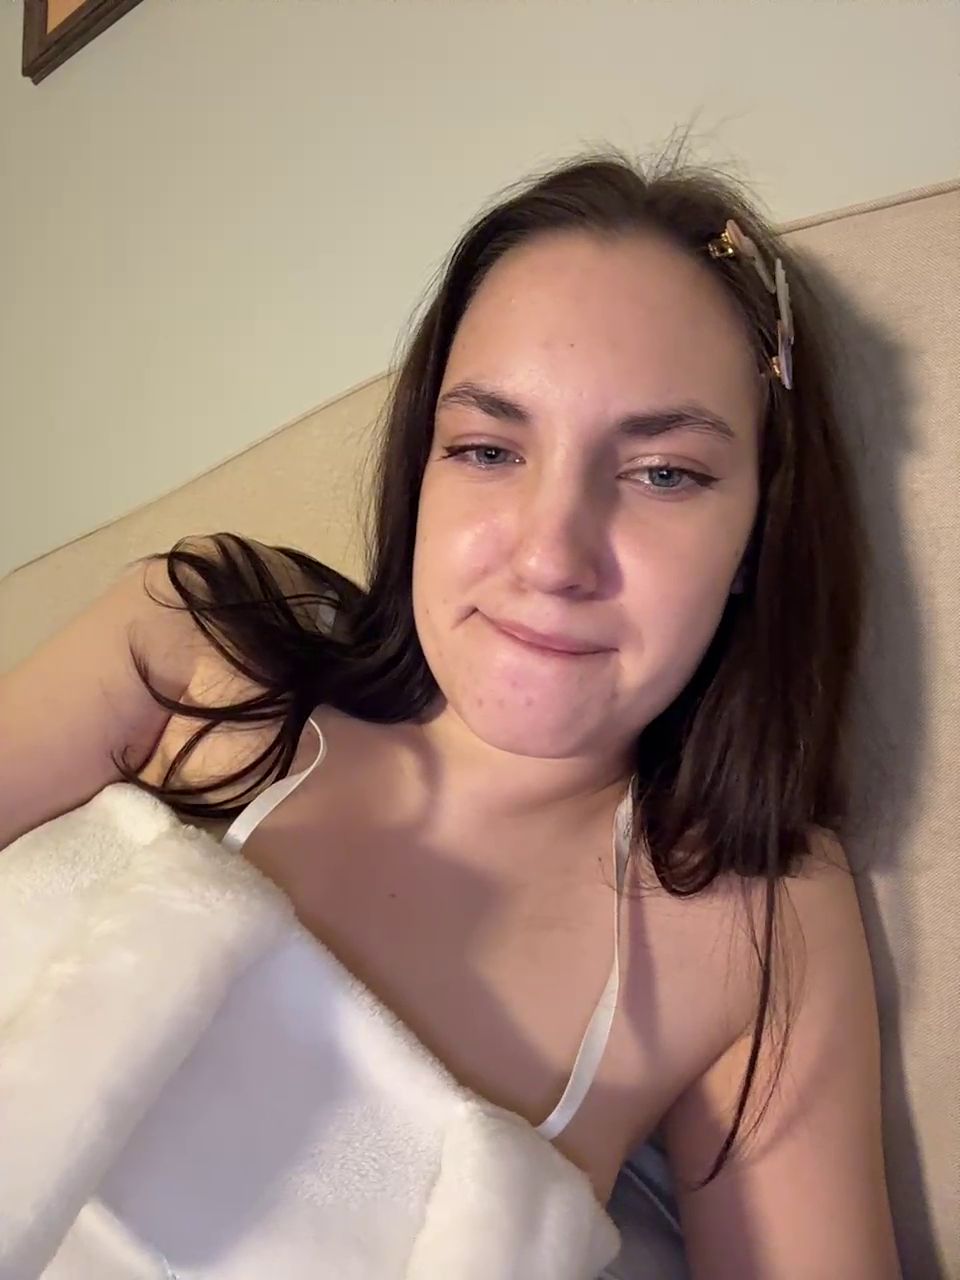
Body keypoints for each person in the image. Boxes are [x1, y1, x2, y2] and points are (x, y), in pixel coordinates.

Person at [0, 140, 901, 1278]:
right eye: (486, 448)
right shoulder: (196, 640)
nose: (550, 555)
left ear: (757, 537)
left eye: (664, 473)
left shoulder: (757, 917)